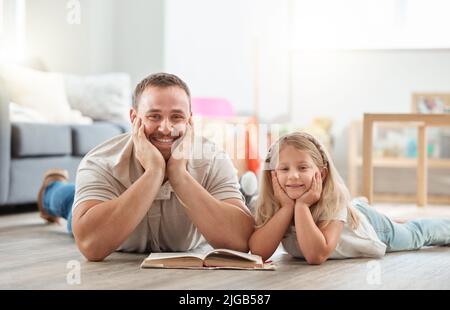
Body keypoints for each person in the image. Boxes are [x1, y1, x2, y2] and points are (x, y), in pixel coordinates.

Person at [37, 73, 254, 261]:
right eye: (154, 116)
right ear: (134, 118)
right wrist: (154, 173)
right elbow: (91, 245)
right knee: (66, 202)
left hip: (115, 216)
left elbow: (240, 241)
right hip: (111, 227)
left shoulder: (214, 159)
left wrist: (178, 174)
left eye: (176, 117)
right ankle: (51, 187)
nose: (166, 128)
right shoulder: (100, 161)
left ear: (190, 122)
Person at [249, 131, 450, 264]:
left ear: (322, 173)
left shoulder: (333, 198)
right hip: (348, 216)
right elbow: (258, 252)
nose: (293, 176)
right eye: (284, 169)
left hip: (374, 229)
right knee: (355, 208)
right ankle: (357, 206)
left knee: (415, 234)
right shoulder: (269, 203)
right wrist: (286, 209)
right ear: (272, 174)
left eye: (303, 168)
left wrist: (301, 206)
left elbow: (316, 255)